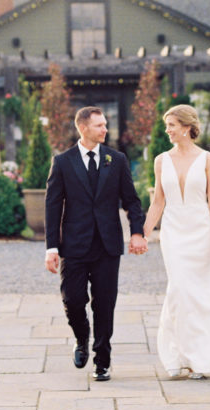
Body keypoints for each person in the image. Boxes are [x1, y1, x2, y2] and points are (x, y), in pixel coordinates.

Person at [45, 106, 146, 382]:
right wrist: (51, 248)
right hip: (74, 246)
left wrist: (137, 232)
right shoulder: (62, 162)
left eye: (105, 124)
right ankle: (82, 338)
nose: (105, 130)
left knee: (104, 304)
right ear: (83, 128)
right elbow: (53, 207)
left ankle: (102, 360)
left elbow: (132, 200)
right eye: (99, 125)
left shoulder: (117, 160)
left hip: (107, 246)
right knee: (73, 300)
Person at [143, 104, 210, 379]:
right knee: (179, 289)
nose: (167, 130)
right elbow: (158, 202)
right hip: (173, 233)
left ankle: (199, 358)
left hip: (201, 232)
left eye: (171, 125)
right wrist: (142, 234)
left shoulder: (207, 159)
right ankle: (176, 355)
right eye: (167, 125)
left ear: (186, 127)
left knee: (198, 292)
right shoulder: (161, 160)